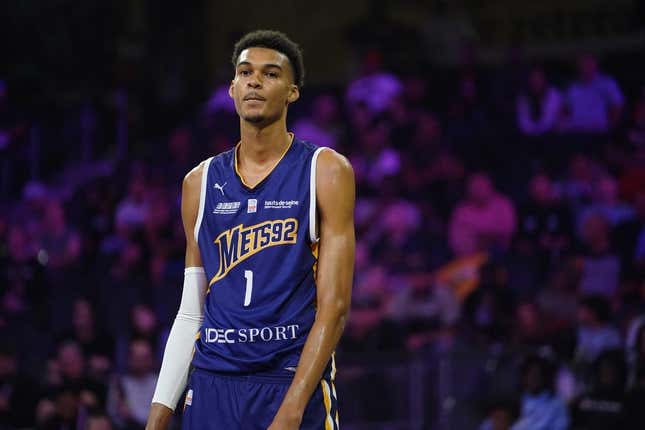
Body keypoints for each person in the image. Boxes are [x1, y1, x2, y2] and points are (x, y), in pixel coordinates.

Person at [146, 30, 355, 430]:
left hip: (286, 377)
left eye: (270, 74)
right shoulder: (199, 182)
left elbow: (335, 306)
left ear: (292, 92)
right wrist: (159, 411)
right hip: (211, 384)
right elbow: (192, 312)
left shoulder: (325, 171)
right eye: (245, 72)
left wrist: (292, 410)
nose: (255, 81)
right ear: (232, 89)